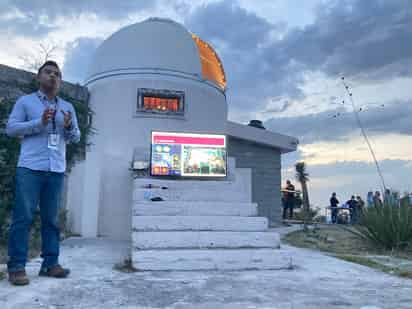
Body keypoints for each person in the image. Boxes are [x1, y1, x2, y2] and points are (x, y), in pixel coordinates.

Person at [6, 61, 80, 286]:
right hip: (30, 168)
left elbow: (75, 136)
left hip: (55, 169)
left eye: (57, 74)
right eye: (48, 72)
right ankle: (17, 267)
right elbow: (11, 129)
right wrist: (39, 122)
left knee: (51, 220)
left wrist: (68, 127)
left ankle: (50, 264)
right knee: (23, 217)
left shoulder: (67, 107)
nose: (53, 77)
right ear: (39, 77)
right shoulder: (25, 102)